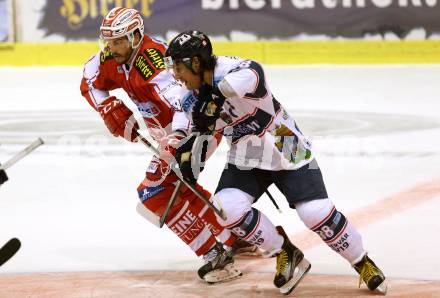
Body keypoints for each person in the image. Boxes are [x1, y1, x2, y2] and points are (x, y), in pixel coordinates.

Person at [164, 30, 387, 295]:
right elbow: (189, 125)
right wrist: (185, 150)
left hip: (283, 141)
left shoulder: (234, 70)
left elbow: (254, 73)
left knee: (315, 212)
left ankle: (362, 261)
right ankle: (286, 252)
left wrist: (214, 97)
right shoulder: (188, 96)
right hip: (244, 154)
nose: (175, 75)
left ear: (196, 62)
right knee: (227, 208)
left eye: (178, 66)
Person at [79, 7, 249, 283]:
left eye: (119, 40)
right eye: (109, 41)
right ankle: (234, 234)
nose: (112, 47)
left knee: (154, 192)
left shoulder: (155, 64)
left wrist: (176, 141)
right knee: (178, 186)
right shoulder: (113, 56)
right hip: (170, 134)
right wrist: (106, 106)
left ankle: (217, 257)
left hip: (198, 131)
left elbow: (186, 105)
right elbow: (88, 77)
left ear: (135, 37)